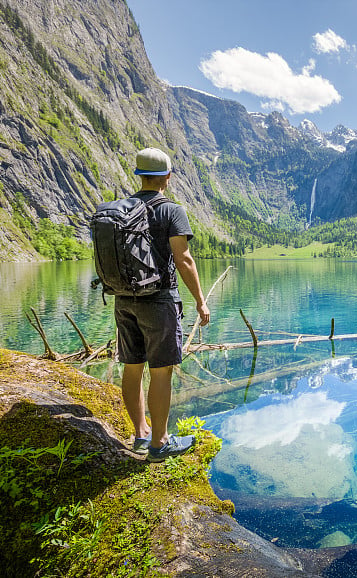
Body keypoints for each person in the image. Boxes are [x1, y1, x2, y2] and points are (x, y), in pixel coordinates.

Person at [116, 147, 211, 462]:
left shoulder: (122, 209)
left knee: (132, 368)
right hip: (159, 301)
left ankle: (141, 433)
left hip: (123, 299)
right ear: (167, 177)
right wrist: (200, 302)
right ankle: (159, 443)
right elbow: (183, 259)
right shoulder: (171, 210)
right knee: (161, 372)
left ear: (140, 176)